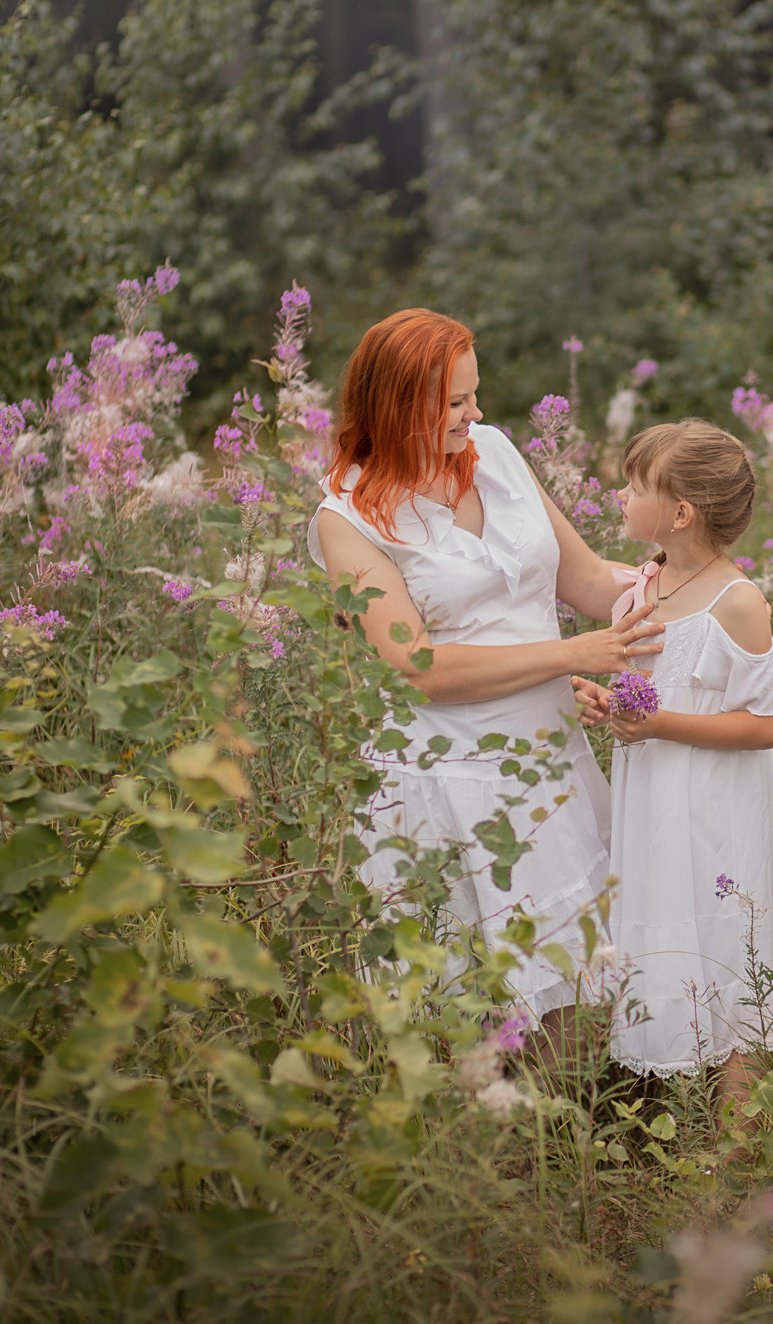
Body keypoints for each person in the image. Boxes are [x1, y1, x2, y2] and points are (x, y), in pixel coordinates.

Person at [309, 308, 661, 1041]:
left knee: (574, 1002)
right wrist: (570, 657)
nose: (476, 413)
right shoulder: (346, 519)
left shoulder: (494, 452)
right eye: (455, 402)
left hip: (546, 756)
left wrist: (693, 586)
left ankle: (560, 1117)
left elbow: (587, 581)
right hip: (446, 777)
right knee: (470, 1013)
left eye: (475, 395)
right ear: (396, 406)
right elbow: (416, 666)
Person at [571, 419, 773, 1103]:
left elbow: (766, 724)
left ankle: (736, 1139)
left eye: (634, 485)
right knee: (665, 934)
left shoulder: (738, 602)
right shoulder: (641, 590)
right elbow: (641, 697)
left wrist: (658, 724)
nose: (619, 495)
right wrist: (607, 704)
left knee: (728, 944)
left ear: (680, 514)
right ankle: (676, 1112)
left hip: (716, 814)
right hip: (652, 808)